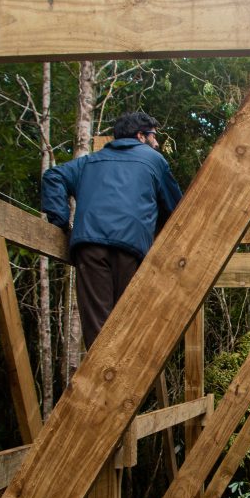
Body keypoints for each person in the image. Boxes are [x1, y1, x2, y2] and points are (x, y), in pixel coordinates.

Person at [42, 111, 183, 348]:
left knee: (98, 328)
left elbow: (53, 176)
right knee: (127, 324)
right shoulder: (153, 159)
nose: (156, 143)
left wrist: (61, 222)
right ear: (141, 136)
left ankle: (101, 378)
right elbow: (177, 210)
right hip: (131, 248)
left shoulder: (90, 161)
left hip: (90, 247)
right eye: (154, 137)